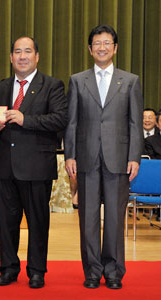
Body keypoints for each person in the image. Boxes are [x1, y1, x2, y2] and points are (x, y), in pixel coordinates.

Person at [65, 25, 143, 290]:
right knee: (87, 219)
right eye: (97, 43)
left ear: (115, 48)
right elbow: (72, 122)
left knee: (114, 218)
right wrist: (70, 155)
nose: (102, 47)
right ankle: (91, 271)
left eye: (107, 43)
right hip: (86, 158)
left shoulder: (130, 80)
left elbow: (134, 123)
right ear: (89, 49)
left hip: (118, 159)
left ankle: (113, 271)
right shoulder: (77, 80)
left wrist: (134, 156)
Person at [0, 37, 67, 289]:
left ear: (37, 56)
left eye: (27, 51)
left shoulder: (52, 86)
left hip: (37, 166)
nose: (22, 56)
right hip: (5, 166)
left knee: (38, 222)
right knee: (7, 222)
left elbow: (59, 120)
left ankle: (36, 270)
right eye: (17, 52)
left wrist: (25, 119)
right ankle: (8, 268)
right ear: (11, 57)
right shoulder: (1, 87)